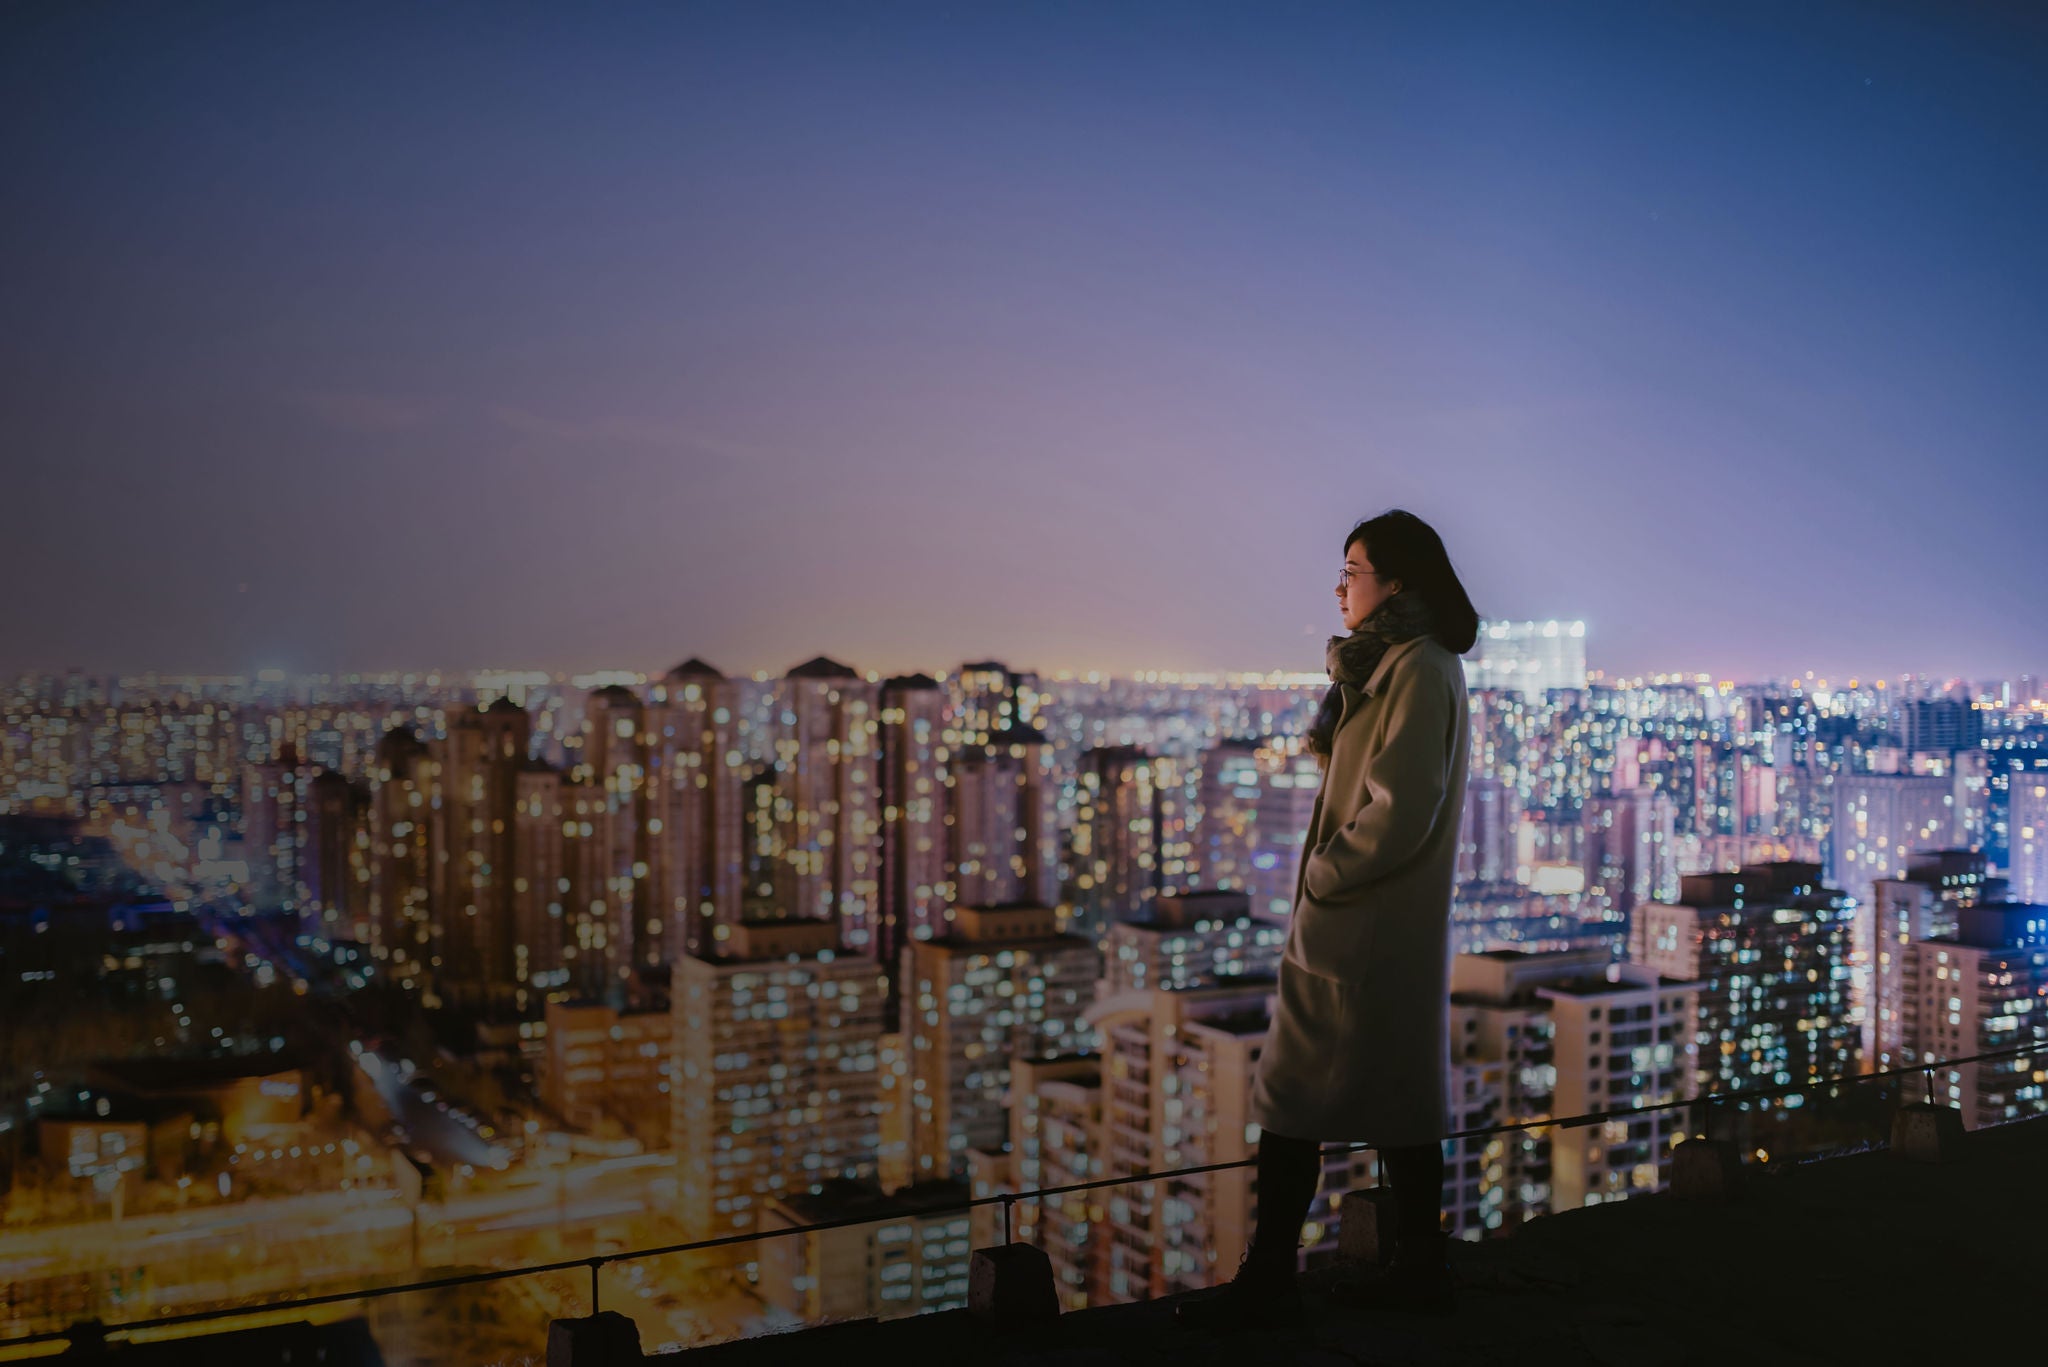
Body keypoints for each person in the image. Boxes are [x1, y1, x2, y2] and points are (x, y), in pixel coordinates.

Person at [1179, 508, 1478, 1331]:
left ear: (1397, 583)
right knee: (1398, 1100)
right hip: (1373, 926)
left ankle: (1271, 1274)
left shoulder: (1419, 667)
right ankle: (1418, 1266)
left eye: (1353, 568)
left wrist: (1325, 872)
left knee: (1292, 1100)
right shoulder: (1399, 665)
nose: (1341, 586)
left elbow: (1403, 805)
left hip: (1365, 924)